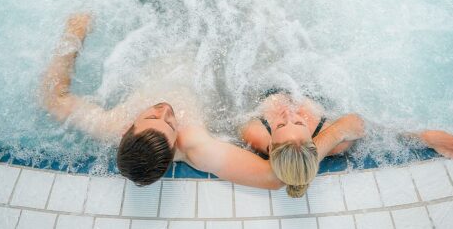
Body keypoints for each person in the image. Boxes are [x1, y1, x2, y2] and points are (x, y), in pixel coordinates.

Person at [41, 13, 284, 189]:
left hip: (163, 28)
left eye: (151, 116)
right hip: (208, 41)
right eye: (170, 123)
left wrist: (73, 34)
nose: (165, 110)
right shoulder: (195, 143)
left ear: (129, 128)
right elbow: (273, 178)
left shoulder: (113, 124)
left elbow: (53, 99)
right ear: (175, 143)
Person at [241, 90, 453, 198]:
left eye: (287, 124)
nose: (288, 113)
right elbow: (368, 127)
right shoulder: (334, 141)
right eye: (283, 124)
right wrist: (425, 136)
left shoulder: (256, 132)